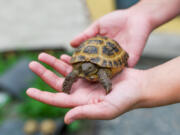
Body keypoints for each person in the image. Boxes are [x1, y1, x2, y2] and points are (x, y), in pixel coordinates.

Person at [26, 0, 180, 124]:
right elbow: (73, 74)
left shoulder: (101, 70)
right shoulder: (80, 69)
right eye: (83, 69)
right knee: (73, 74)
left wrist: (108, 88)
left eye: (87, 69)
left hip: (108, 52)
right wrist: (138, 15)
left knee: (101, 75)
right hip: (93, 51)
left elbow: (103, 76)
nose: (84, 71)